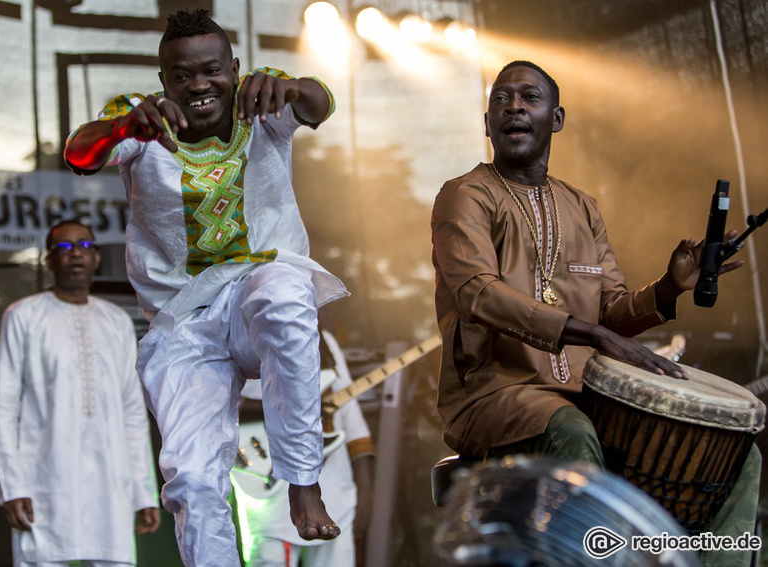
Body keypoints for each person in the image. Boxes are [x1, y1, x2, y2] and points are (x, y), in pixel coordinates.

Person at [430, 60, 759, 566]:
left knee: (739, 455)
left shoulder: (582, 208)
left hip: (586, 395)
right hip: (495, 393)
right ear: (489, 120)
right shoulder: (466, 195)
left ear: (556, 119)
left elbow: (611, 312)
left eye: (529, 98)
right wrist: (594, 336)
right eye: (502, 99)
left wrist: (671, 286)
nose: (513, 106)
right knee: (571, 428)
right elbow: (478, 292)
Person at [63, 8, 347, 565]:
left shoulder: (259, 99)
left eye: (211, 70)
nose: (198, 86)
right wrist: (126, 127)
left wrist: (291, 86)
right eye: (181, 76)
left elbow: (321, 104)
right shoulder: (139, 118)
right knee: (192, 479)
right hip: (183, 324)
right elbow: (78, 155)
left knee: (284, 295)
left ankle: (303, 480)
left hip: (254, 291)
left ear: (234, 68)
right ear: (163, 78)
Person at [0, 220, 160, 567]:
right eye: (64, 248)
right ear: (48, 261)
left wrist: (144, 492)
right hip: (44, 484)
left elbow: (131, 411)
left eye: (85, 246)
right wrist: (13, 487)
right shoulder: (23, 316)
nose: (76, 254)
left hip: (111, 487)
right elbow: (2, 408)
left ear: (96, 258)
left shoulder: (115, 321)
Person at [233, 330, 375, 567]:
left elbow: (350, 416)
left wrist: (366, 488)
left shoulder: (325, 340)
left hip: (336, 495)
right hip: (268, 493)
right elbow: (221, 404)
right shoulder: (235, 337)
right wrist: (296, 409)